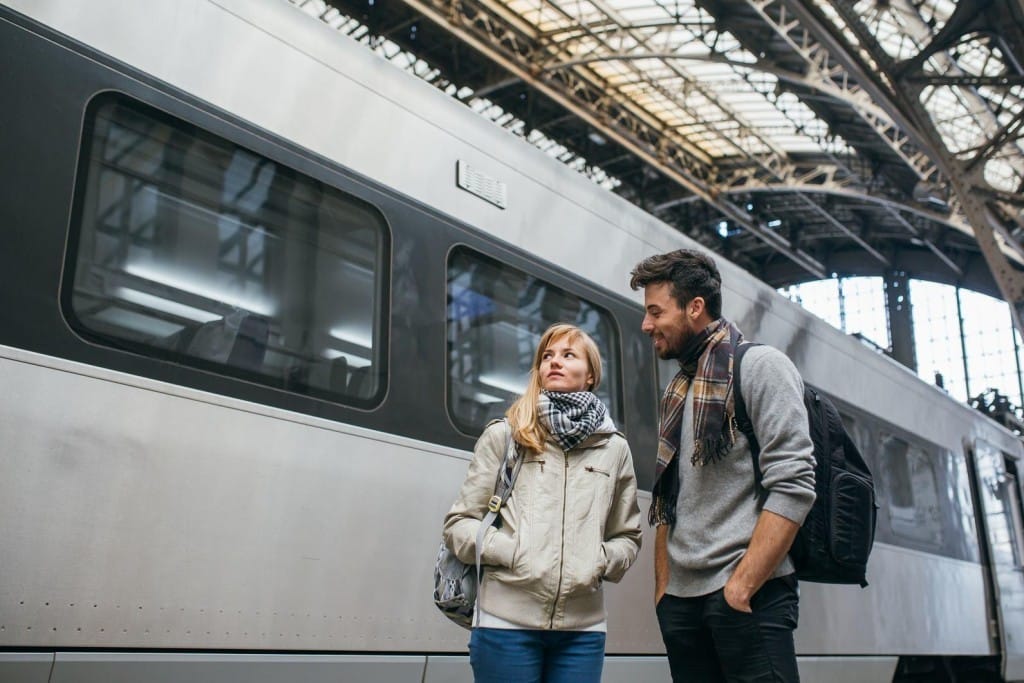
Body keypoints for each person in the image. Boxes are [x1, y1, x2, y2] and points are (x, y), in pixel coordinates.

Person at [629, 249, 816, 683]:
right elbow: (669, 499)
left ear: (695, 307)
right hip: (682, 603)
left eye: (656, 312)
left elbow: (795, 484)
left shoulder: (761, 368)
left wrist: (741, 587)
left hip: (747, 597)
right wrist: (665, 591)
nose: (646, 325)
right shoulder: (680, 388)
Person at [443, 323, 642, 683]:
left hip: (583, 632)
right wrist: (512, 551)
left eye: (568, 355)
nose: (555, 362)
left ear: (591, 374)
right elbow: (459, 524)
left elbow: (627, 535)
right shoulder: (507, 435)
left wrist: (598, 561)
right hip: (505, 624)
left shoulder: (615, 449)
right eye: (547, 356)